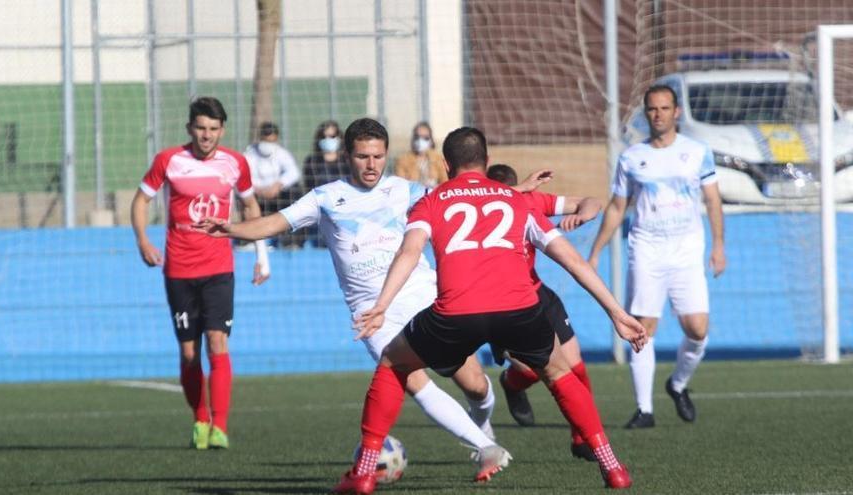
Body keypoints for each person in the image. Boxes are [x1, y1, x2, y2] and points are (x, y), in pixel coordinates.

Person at [333, 127, 647, 494]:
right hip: (519, 310)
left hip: (456, 313)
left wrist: (381, 306)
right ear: (487, 160)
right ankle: (613, 467)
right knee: (561, 373)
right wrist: (615, 312)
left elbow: (409, 252)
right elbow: (571, 260)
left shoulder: (432, 200)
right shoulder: (519, 201)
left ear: (446, 165)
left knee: (393, 363)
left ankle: (365, 473)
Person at [194, 118, 501, 459]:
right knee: (411, 379)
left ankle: (483, 423)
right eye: (362, 157)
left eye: (378, 157)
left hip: (422, 295)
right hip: (372, 312)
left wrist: (522, 195)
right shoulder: (325, 197)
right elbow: (275, 222)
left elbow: (467, 200)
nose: (371, 165)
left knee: (473, 382)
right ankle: (486, 448)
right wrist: (231, 229)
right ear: (347, 156)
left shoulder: (407, 190)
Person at [130, 96, 269, 450]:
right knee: (190, 353)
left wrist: (261, 254)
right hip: (178, 270)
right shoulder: (169, 160)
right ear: (190, 128)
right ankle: (200, 419)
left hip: (219, 269)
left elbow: (251, 205)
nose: (207, 135)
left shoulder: (236, 163)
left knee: (217, 342)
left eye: (213, 129)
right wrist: (143, 240)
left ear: (222, 130)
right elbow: (141, 200)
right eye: (201, 128)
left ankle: (220, 426)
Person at [587, 84, 726, 429]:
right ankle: (644, 409)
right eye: (652, 109)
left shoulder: (697, 152)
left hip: (686, 250)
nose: (658, 114)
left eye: (665, 108)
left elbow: (712, 200)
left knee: (697, 329)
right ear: (646, 113)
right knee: (642, 328)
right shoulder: (632, 157)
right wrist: (595, 252)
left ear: (676, 112)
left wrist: (719, 245)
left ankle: (677, 383)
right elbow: (618, 207)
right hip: (647, 249)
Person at [485, 163, 603, 461]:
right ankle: (512, 384)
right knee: (533, 371)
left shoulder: (530, 201)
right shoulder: (477, 210)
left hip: (538, 294)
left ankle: (582, 438)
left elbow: (590, 201)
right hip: (500, 303)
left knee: (575, 365)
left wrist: (584, 214)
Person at [244, 121, 303, 247]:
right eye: (266, 141)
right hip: (256, 194)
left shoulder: (281, 153)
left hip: (277, 194)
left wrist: (278, 185)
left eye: (272, 142)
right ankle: (249, 239)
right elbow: (245, 175)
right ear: (260, 138)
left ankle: (290, 241)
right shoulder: (249, 154)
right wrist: (258, 189)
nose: (268, 146)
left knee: (295, 190)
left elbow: (293, 172)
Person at [302, 120, 350, 246]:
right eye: (324, 137)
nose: (328, 139)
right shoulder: (311, 161)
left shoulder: (347, 161)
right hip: (320, 209)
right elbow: (308, 187)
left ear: (339, 138)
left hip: (344, 207)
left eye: (332, 136)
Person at [393, 121, 448, 187]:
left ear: (431, 140)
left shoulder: (438, 159)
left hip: (434, 194)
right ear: (413, 139)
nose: (420, 141)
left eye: (425, 138)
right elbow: (401, 185)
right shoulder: (402, 160)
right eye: (417, 137)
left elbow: (445, 182)